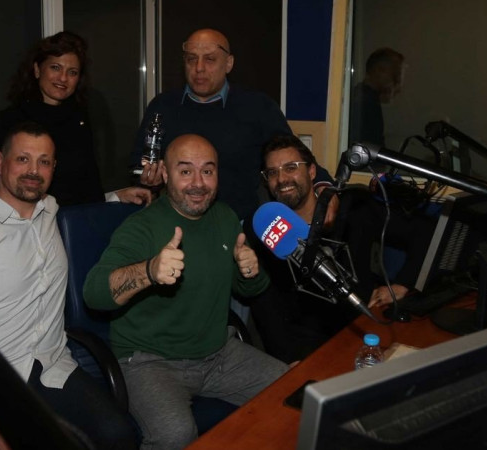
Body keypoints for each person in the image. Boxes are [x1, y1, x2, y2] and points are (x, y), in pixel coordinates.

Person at [0, 121, 136, 449]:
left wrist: (115, 197)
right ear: (0, 161)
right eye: (22, 159)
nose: (33, 171)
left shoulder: (50, 210)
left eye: (44, 162)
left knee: (119, 435)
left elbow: (82, 202)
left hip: (53, 365)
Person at [83, 134, 289, 449]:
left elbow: (249, 290)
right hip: (150, 361)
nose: (198, 183)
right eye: (185, 171)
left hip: (218, 353)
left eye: (207, 171)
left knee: (291, 390)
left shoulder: (225, 218)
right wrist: (149, 270)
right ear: (165, 175)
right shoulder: (141, 227)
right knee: (175, 434)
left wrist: (250, 270)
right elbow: (94, 293)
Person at [246, 135, 431, 363]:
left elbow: (423, 231)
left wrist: (403, 283)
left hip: (368, 324)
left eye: (291, 168)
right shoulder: (266, 230)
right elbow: (267, 310)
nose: (282, 179)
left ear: (312, 171)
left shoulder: (354, 208)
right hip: (309, 346)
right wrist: (290, 359)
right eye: (272, 172)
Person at [131, 28, 336, 222]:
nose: (199, 68)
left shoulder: (257, 107)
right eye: (191, 59)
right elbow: (138, 164)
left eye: (210, 59)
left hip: (240, 224)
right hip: (176, 222)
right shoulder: (163, 106)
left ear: (228, 64)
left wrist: (323, 186)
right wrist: (147, 179)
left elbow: (292, 155)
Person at [0, 31, 150, 222]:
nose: (63, 78)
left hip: (75, 227)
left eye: (72, 72)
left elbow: (85, 188)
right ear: (37, 70)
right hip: (26, 229)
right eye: (55, 67)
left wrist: (116, 196)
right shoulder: (8, 121)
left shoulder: (80, 121)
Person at [349, 47, 405, 148]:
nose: (396, 81)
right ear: (379, 70)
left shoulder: (364, 97)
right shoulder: (366, 101)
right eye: (394, 73)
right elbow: (371, 146)